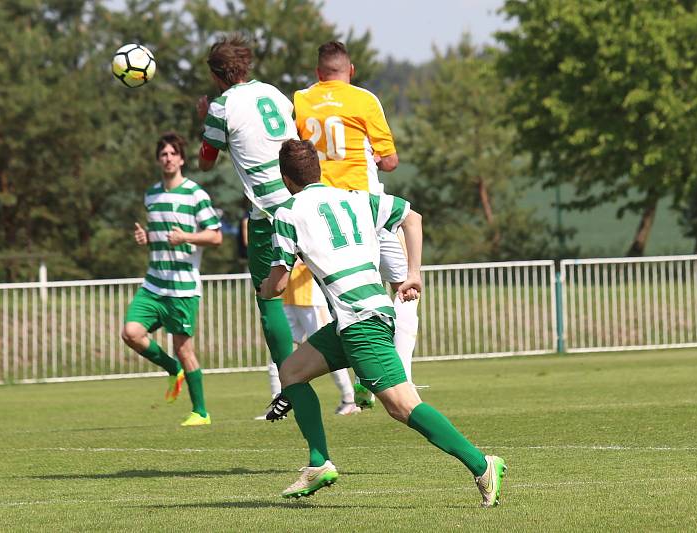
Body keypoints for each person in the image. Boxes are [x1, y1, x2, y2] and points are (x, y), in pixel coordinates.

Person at [260, 140, 506, 507]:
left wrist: (263, 290)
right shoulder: (354, 197)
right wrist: (413, 273)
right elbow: (412, 217)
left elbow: (278, 283)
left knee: (402, 406)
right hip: (358, 316)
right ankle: (317, 463)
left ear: (284, 177)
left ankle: (481, 463)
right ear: (319, 169)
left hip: (361, 321)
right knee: (292, 371)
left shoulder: (288, 212)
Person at [294, 41, 420, 408]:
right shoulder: (364, 100)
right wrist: (374, 159)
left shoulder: (300, 101)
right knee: (403, 287)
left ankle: (363, 378)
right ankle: (402, 378)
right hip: (365, 210)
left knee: (345, 306)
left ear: (318, 73)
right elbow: (391, 160)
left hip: (323, 219)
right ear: (351, 71)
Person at [196, 35, 296, 382]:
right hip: (303, 196)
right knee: (333, 283)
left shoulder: (222, 106)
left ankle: (290, 380)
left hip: (268, 211)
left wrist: (205, 119)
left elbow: (206, 162)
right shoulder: (273, 93)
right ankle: (364, 373)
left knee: (268, 299)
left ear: (215, 75)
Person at [120, 132, 223, 427]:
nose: (167, 159)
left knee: (184, 349)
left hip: (182, 288)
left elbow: (215, 236)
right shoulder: (152, 195)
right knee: (131, 332)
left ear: (181, 159)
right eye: (162, 154)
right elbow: (160, 236)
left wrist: (186, 237)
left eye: (172, 154)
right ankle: (171, 369)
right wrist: (146, 238)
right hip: (154, 284)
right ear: (158, 160)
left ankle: (201, 412)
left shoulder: (195, 194)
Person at [256, 260, 361, 419]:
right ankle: (278, 405)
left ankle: (349, 399)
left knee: (329, 351)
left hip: (311, 299)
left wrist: (282, 264)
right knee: (278, 351)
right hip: (288, 299)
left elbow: (300, 256)